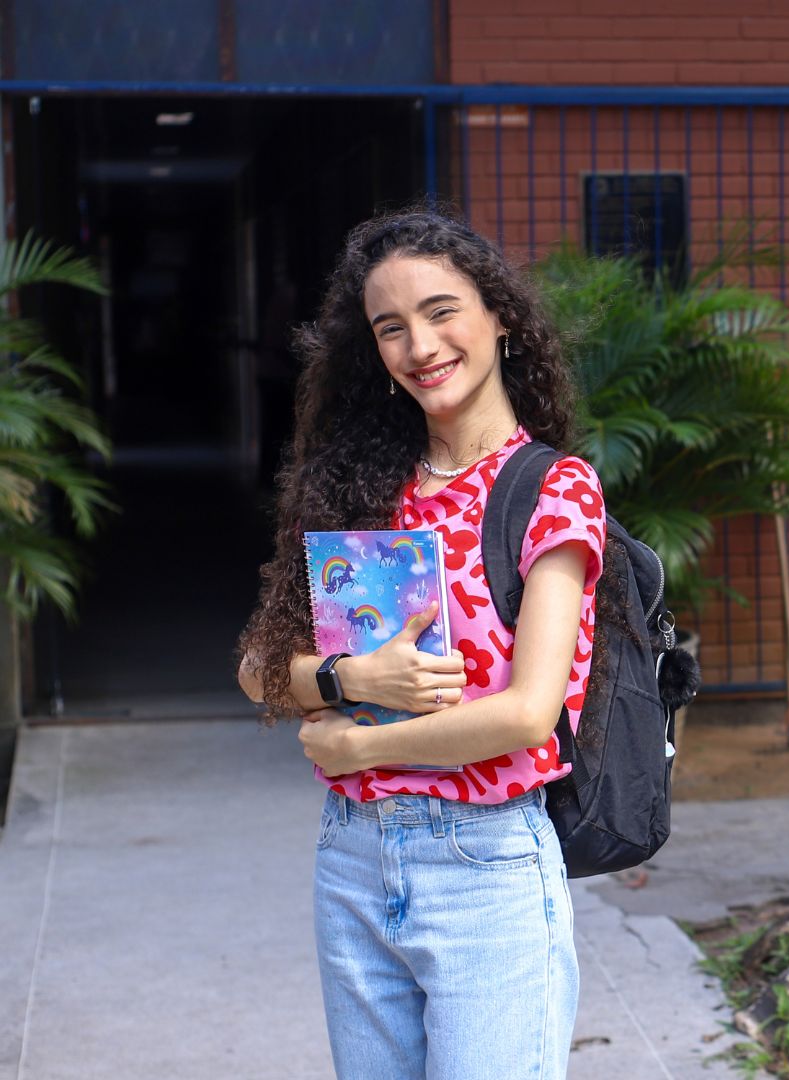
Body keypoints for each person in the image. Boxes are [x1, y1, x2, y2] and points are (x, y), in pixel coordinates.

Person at [236, 208, 604, 1078]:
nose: (421, 346)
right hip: (352, 859)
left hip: (487, 864)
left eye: (442, 312)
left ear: (499, 316)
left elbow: (528, 715)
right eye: (391, 327)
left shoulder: (551, 489)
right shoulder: (358, 485)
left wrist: (363, 744)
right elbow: (258, 672)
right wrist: (353, 677)